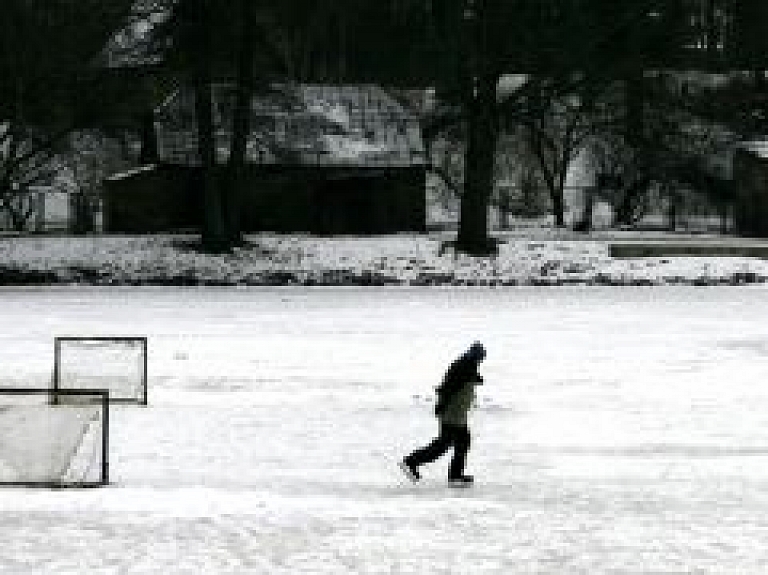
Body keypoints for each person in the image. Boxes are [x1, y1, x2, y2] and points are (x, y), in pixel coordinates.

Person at [400, 341, 486, 486]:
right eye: (479, 357)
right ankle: (410, 462)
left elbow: (461, 380)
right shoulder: (463, 366)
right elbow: (448, 387)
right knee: (442, 446)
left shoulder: (466, 365)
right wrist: (441, 406)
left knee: (463, 441)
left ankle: (455, 475)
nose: (480, 361)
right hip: (452, 414)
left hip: (457, 414)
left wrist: (476, 379)